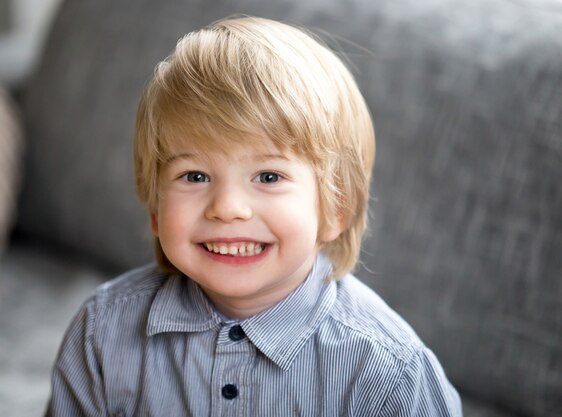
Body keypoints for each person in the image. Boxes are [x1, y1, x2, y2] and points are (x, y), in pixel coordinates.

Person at [45, 16, 462, 416]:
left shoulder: (389, 373)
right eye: (194, 175)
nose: (227, 207)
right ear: (155, 208)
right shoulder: (102, 332)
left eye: (268, 176)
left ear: (337, 207)